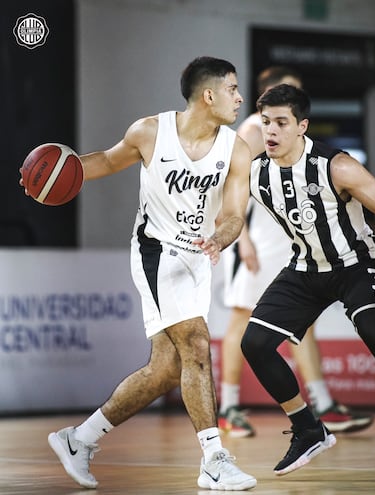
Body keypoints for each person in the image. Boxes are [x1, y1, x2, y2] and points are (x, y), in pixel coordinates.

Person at [22, 56, 257, 491]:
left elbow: (233, 215)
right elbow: (105, 163)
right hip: (155, 252)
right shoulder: (150, 132)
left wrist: (220, 238)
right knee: (197, 342)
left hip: (197, 257)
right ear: (208, 95)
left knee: (167, 369)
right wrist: (48, 177)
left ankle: (80, 439)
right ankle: (214, 458)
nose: (240, 98)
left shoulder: (236, 149)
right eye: (232, 89)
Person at [240, 83, 375, 479]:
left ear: (301, 127)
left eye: (280, 123)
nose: (270, 131)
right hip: (306, 268)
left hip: (356, 264)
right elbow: (229, 216)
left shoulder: (336, 165)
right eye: (265, 122)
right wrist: (218, 239)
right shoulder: (257, 172)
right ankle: (309, 429)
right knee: (254, 344)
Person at [219, 66, 373, 437]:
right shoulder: (255, 130)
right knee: (243, 321)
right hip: (256, 241)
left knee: (305, 325)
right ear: (266, 93)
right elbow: (233, 186)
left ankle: (322, 403)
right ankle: (228, 407)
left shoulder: (291, 132)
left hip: (291, 242)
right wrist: (243, 241)